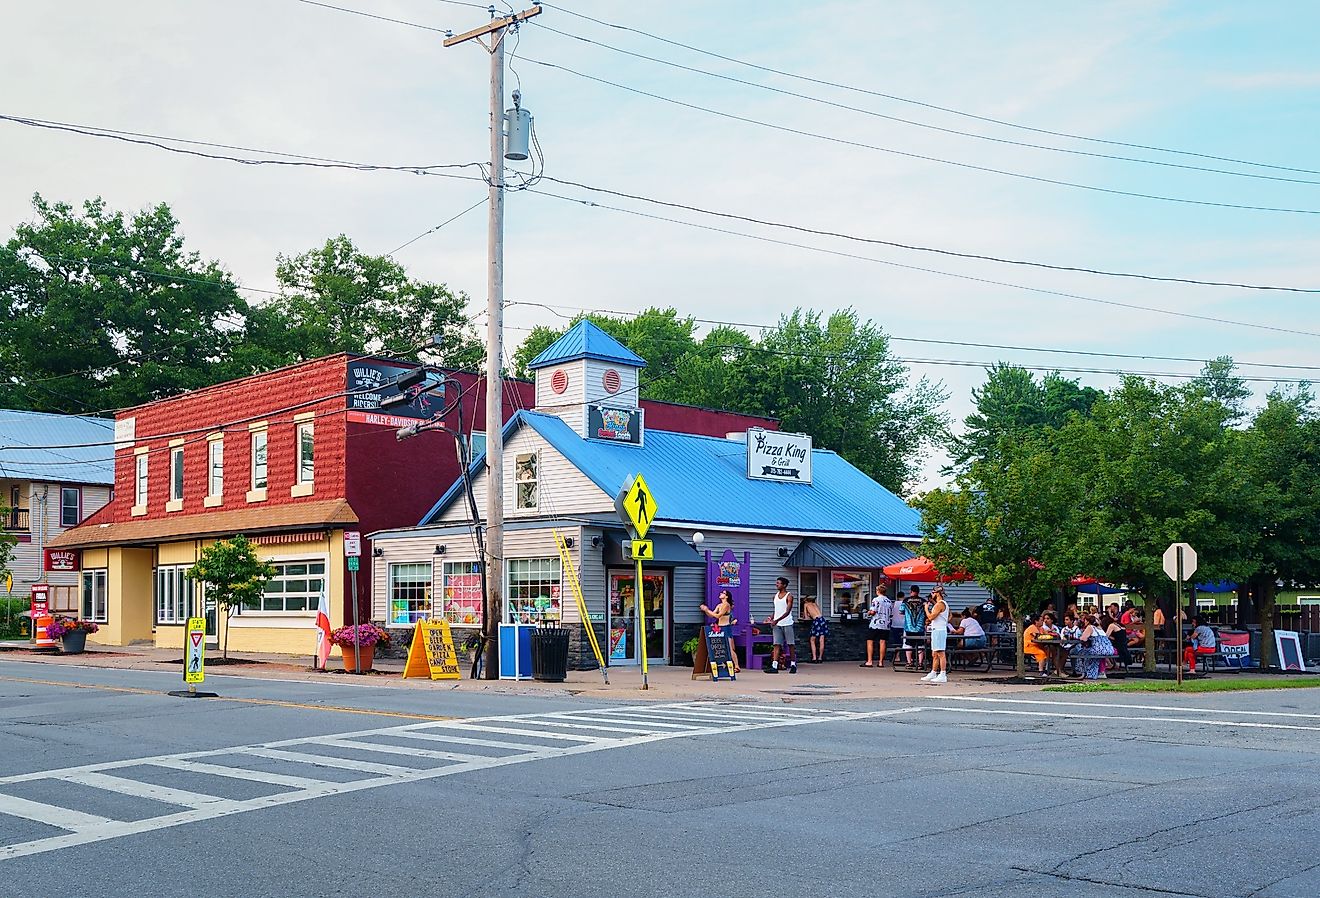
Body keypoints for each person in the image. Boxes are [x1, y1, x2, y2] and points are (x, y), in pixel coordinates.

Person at [762, 576, 797, 674]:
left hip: (787, 623)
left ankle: (793, 665)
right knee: (776, 644)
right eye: (777, 583)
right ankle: (774, 666)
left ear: (784, 585)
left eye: (779, 583)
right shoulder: (775, 596)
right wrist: (771, 618)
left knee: (790, 644)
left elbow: (787, 611)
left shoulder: (789, 596)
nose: (777, 585)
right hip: (777, 624)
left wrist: (776, 620)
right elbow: (777, 610)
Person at [700, 589, 739, 673]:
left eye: (723, 593)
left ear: (726, 596)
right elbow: (712, 615)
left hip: (726, 627)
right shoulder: (719, 605)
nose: (721, 593)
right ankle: (723, 665)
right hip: (720, 627)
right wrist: (706, 611)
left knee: (730, 648)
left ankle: (736, 666)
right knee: (721, 647)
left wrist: (707, 610)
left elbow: (718, 616)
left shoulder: (726, 605)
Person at [1070, 613, 1117, 680]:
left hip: (1099, 649)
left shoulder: (1090, 627)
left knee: (1081, 652)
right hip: (1108, 649)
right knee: (1091, 654)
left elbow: (1083, 638)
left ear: (1088, 621)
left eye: (1085, 621)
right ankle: (1094, 673)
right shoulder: (1099, 628)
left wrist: (1081, 637)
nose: (1084, 622)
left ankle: (1084, 672)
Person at [920, 587, 950, 684]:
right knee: (935, 653)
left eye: (933, 592)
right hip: (937, 629)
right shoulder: (941, 604)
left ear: (937, 593)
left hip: (939, 630)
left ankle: (942, 673)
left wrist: (926, 609)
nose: (932, 594)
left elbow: (931, 617)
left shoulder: (940, 604)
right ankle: (933, 672)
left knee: (941, 653)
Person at [861, 583, 891, 668]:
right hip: (886, 624)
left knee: (870, 640)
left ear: (878, 591)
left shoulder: (876, 600)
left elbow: (873, 611)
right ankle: (881, 662)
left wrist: (869, 612)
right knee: (883, 642)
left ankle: (869, 661)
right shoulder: (888, 601)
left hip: (876, 623)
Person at [902, 586, 927, 669]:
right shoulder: (923, 601)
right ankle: (920, 663)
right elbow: (927, 612)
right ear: (918, 592)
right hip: (920, 627)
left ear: (911, 591)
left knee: (908, 644)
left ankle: (909, 662)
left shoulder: (905, 601)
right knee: (920, 645)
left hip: (909, 627)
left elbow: (901, 611)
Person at [802, 593, 827, 664]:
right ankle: (820, 658)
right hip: (822, 620)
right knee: (821, 639)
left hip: (816, 621)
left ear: (805, 600)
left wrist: (807, 615)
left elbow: (806, 617)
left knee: (812, 639)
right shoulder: (815, 604)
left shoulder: (806, 605)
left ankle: (814, 658)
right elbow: (818, 613)